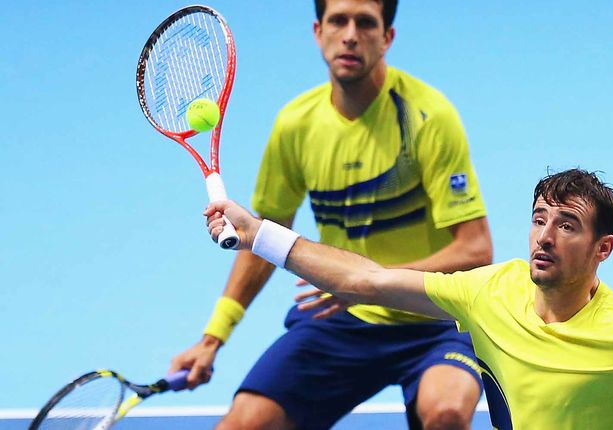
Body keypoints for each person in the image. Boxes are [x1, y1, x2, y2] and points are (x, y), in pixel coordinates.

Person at [203, 168, 613, 430]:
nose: (544, 237)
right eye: (538, 219)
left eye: (567, 226)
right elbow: (366, 281)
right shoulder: (491, 290)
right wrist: (259, 234)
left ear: (603, 249)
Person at [170, 0, 493, 429]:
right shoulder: (296, 125)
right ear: (318, 31)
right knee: (242, 424)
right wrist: (213, 337)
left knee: (447, 415)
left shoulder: (428, 117)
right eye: (339, 21)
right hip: (341, 315)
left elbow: (475, 249)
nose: (351, 34)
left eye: (366, 22)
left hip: (434, 318)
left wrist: (371, 284)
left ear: (387, 37)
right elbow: (265, 235)